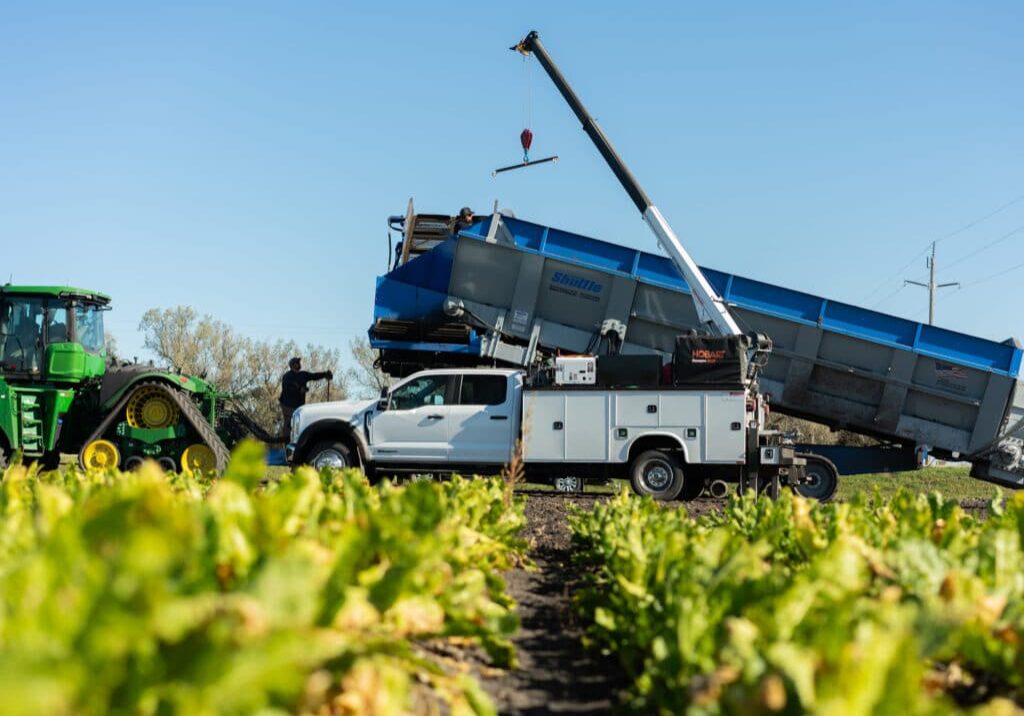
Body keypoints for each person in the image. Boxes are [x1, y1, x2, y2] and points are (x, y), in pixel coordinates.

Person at [279, 357, 333, 435]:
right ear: (292, 365)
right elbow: (287, 389)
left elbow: (314, 376)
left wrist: (324, 374)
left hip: (298, 406)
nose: (299, 364)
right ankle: (287, 441)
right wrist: (299, 390)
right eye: (297, 362)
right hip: (288, 405)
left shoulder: (303, 374)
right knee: (289, 424)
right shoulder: (287, 376)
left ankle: (297, 441)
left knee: (299, 424)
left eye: (299, 362)